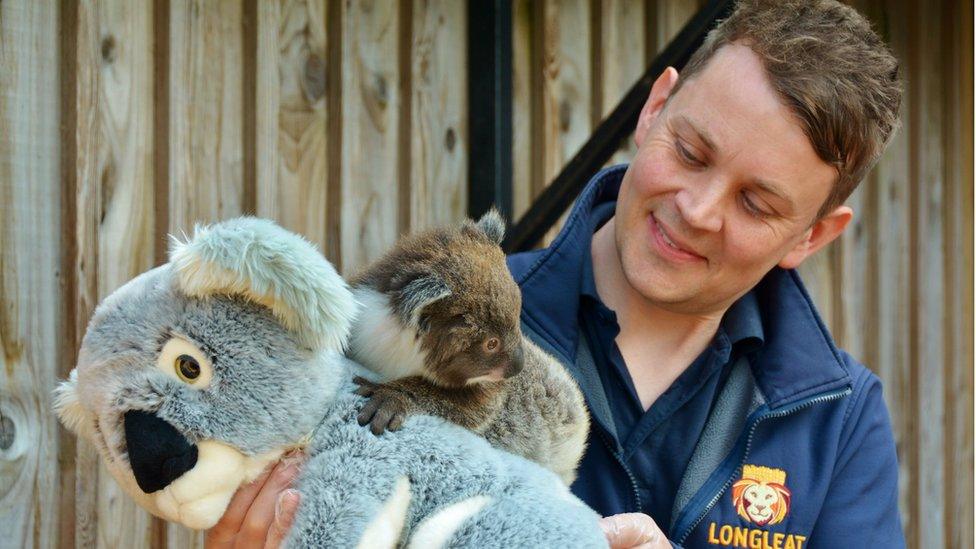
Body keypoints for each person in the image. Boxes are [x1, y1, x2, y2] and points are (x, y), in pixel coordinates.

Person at [205, 0, 905, 547]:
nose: (697, 209)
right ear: (655, 107)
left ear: (812, 236)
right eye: (691, 152)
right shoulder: (444, 326)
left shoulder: (838, 420)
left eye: (755, 203)